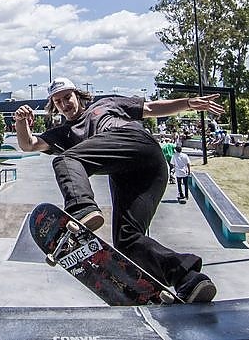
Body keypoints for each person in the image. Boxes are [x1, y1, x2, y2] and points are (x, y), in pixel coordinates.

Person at [14, 77, 225, 303]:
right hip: (130, 176)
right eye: (58, 102)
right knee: (127, 241)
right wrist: (21, 123)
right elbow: (29, 144)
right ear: (54, 106)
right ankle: (189, 278)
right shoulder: (62, 133)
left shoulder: (106, 104)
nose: (65, 104)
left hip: (141, 148)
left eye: (68, 97)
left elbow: (151, 108)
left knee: (65, 161)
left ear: (78, 95)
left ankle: (82, 208)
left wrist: (189, 103)